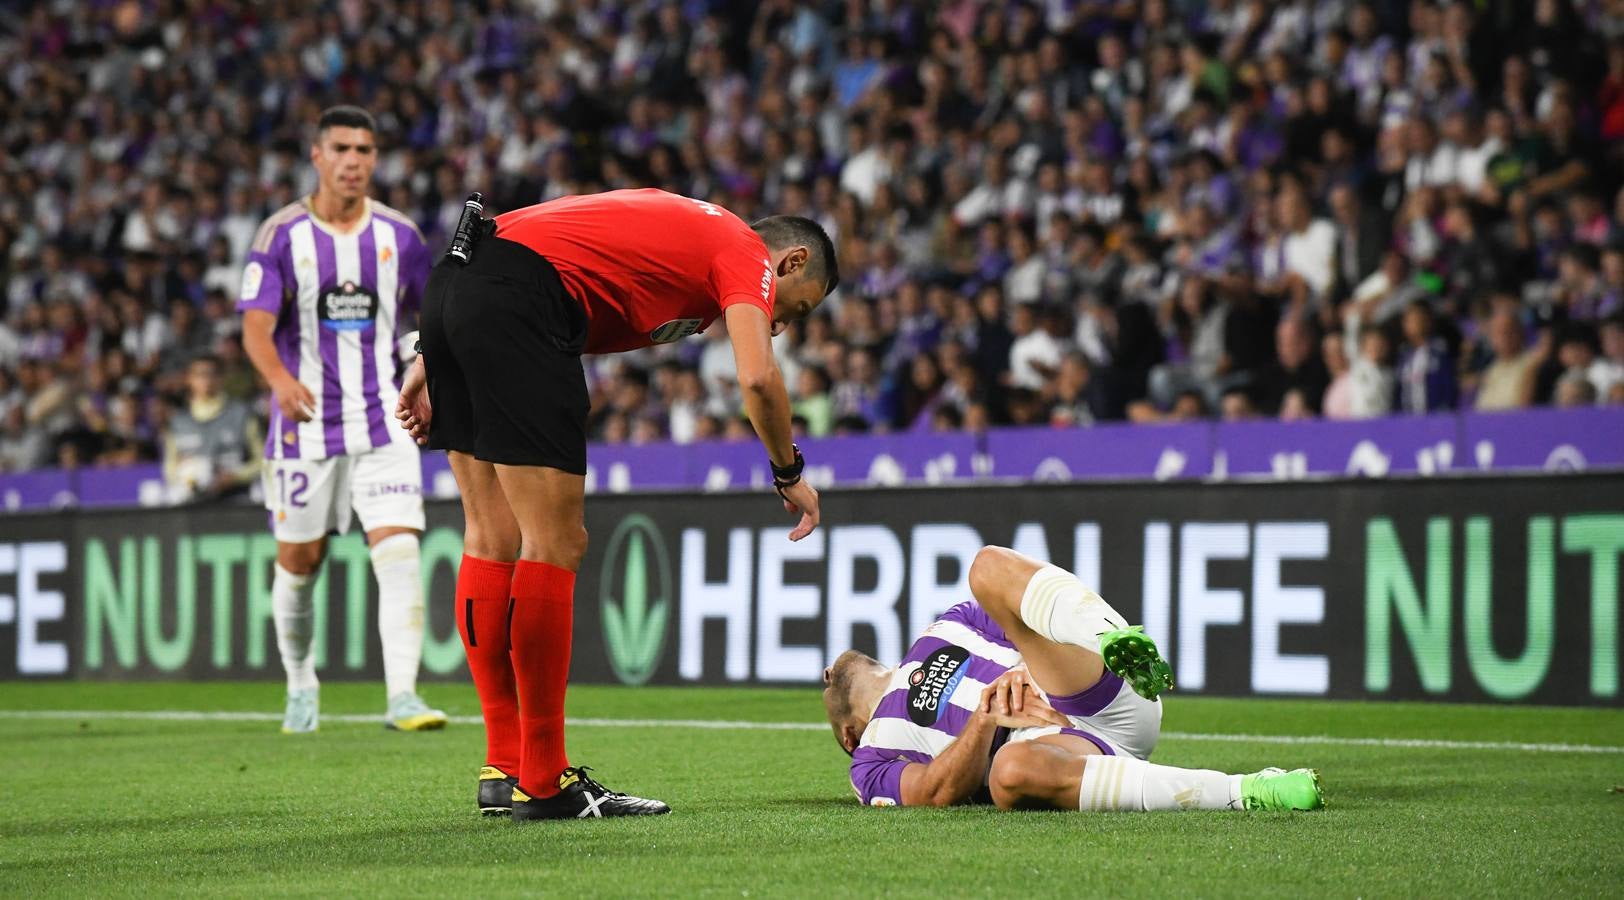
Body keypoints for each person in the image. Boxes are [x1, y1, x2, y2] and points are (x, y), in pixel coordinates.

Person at [396, 188, 838, 821]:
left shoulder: (686, 230)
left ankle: (505, 768)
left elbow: (522, 234)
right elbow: (758, 376)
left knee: (489, 534)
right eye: (799, 309)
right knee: (556, 542)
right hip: (518, 302)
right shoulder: (742, 248)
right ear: (792, 263)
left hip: (457, 285)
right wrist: (787, 469)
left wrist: (435, 346)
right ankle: (544, 780)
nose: (784, 321)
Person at [822, 546, 1325, 812]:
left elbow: (1031, 624)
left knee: (988, 567)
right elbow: (933, 794)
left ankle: (1112, 637)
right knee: (1008, 777)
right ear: (849, 735)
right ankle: (1248, 790)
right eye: (826, 683)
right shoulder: (869, 762)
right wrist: (983, 718)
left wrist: (1025, 671)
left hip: (1089, 693)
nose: (827, 676)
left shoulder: (948, 624)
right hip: (1059, 753)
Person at [237, 106, 444, 734]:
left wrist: (427, 369)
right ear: (317, 156)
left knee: (400, 546)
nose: (355, 160)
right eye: (343, 148)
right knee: (299, 563)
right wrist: (277, 379)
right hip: (305, 425)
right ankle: (301, 683)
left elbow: (432, 316)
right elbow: (254, 326)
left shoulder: (400, 236)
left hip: (384, 418)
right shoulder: (280, 236)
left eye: (366, 149)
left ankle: (402, 695)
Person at [163, 354, 262, 503]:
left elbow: (264, 461)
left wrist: (236, 477)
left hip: (235, 499)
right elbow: (169, 468)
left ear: (222, 378)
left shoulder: (241, 415)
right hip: (191, 503)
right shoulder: (178, 422)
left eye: (212, 374)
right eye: (199, 374)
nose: (206, 380)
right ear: (188, 379)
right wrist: (183, 475)